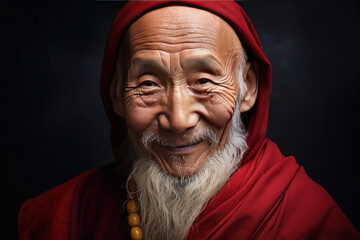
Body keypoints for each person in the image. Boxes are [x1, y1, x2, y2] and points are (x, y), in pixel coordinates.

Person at [18, 1, 359, 240]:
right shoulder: (68, 215)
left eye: (204, 82)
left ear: (248, 88)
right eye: (148, 84)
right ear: (116, 97)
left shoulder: (305, 217)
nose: (178, 120)